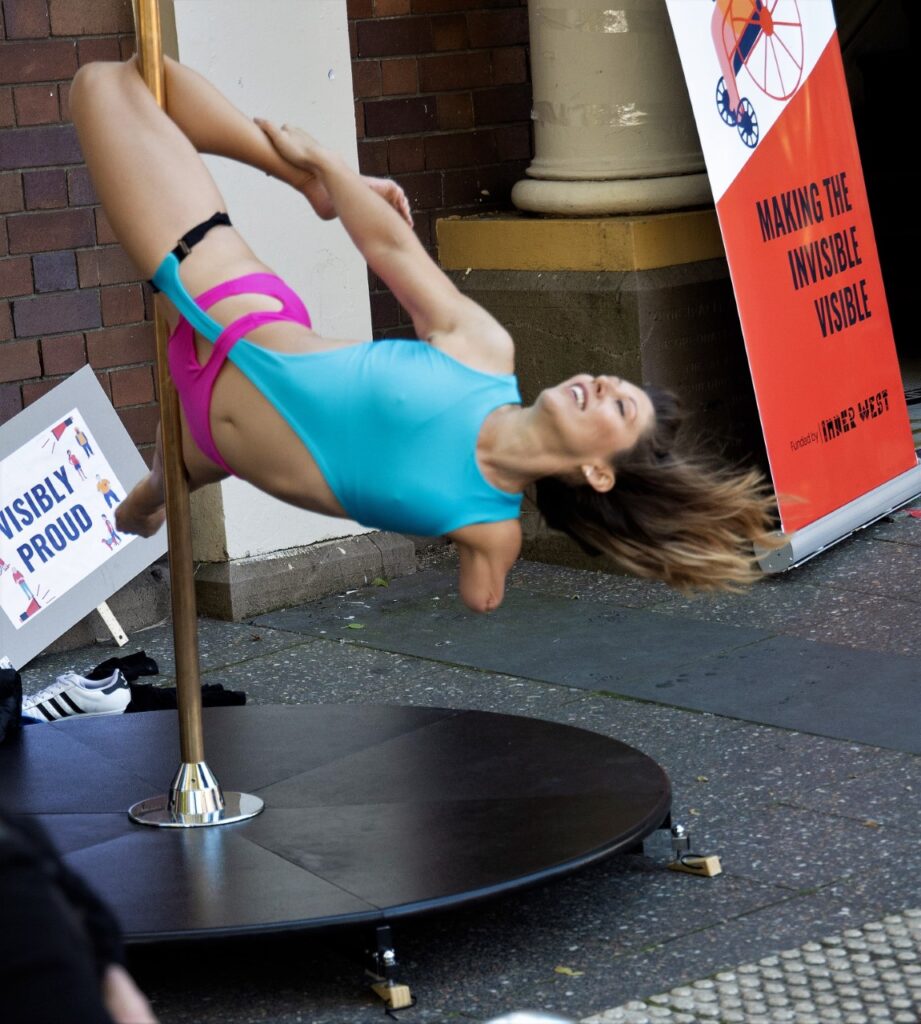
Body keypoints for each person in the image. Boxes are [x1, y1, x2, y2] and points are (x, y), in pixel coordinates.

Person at [69, 57, 776, 613]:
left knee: (102, 84)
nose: (600, 382)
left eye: (618, 405)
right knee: (128, 80)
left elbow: (481, 598)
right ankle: (286, 169)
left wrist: (501, 556)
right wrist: (324, 167)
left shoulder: (489, 526)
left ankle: (155, 493)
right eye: (613, 381)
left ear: (598, 472)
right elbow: (392, 250)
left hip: (209, 446)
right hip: (222, 302)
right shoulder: (484, 353)